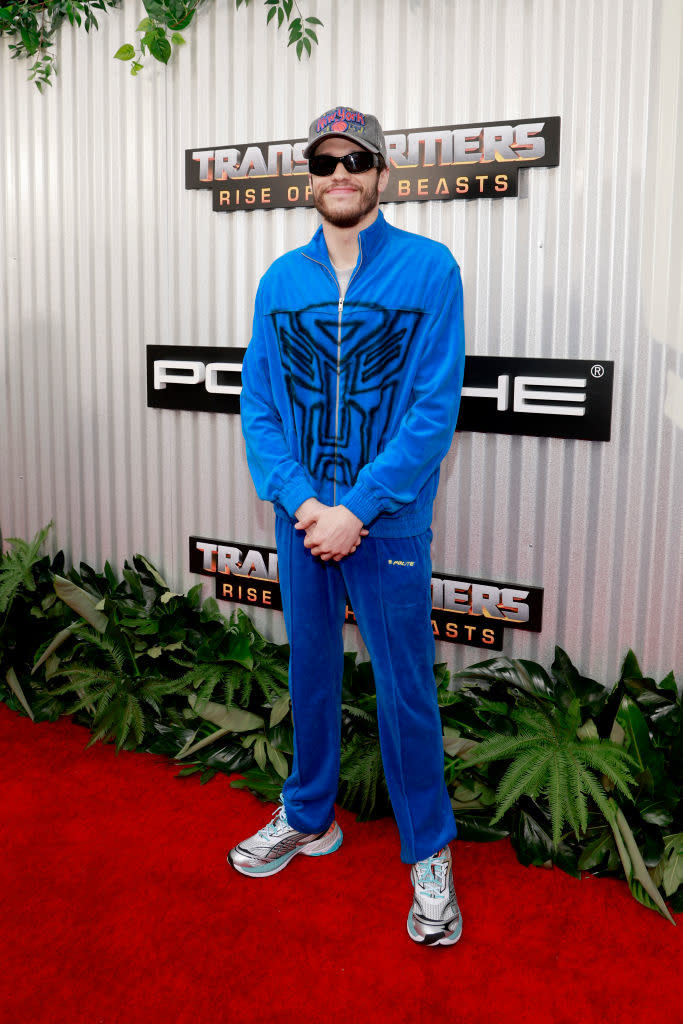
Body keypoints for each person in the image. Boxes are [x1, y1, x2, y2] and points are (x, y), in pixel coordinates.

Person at [229, 105, 466, 947]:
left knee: (406, 691)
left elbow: (433, 409)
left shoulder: (430, 269)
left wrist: (356, 509)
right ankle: (308, 815)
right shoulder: (279, 281)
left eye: (355, 159)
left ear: (380, 174)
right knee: (313, 674)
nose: (339, 173)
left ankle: (428, 853)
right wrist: (305, 506)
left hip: (387, 523)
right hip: (303, 523)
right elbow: (259, 407)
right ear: (309, 174)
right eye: (325, 160)